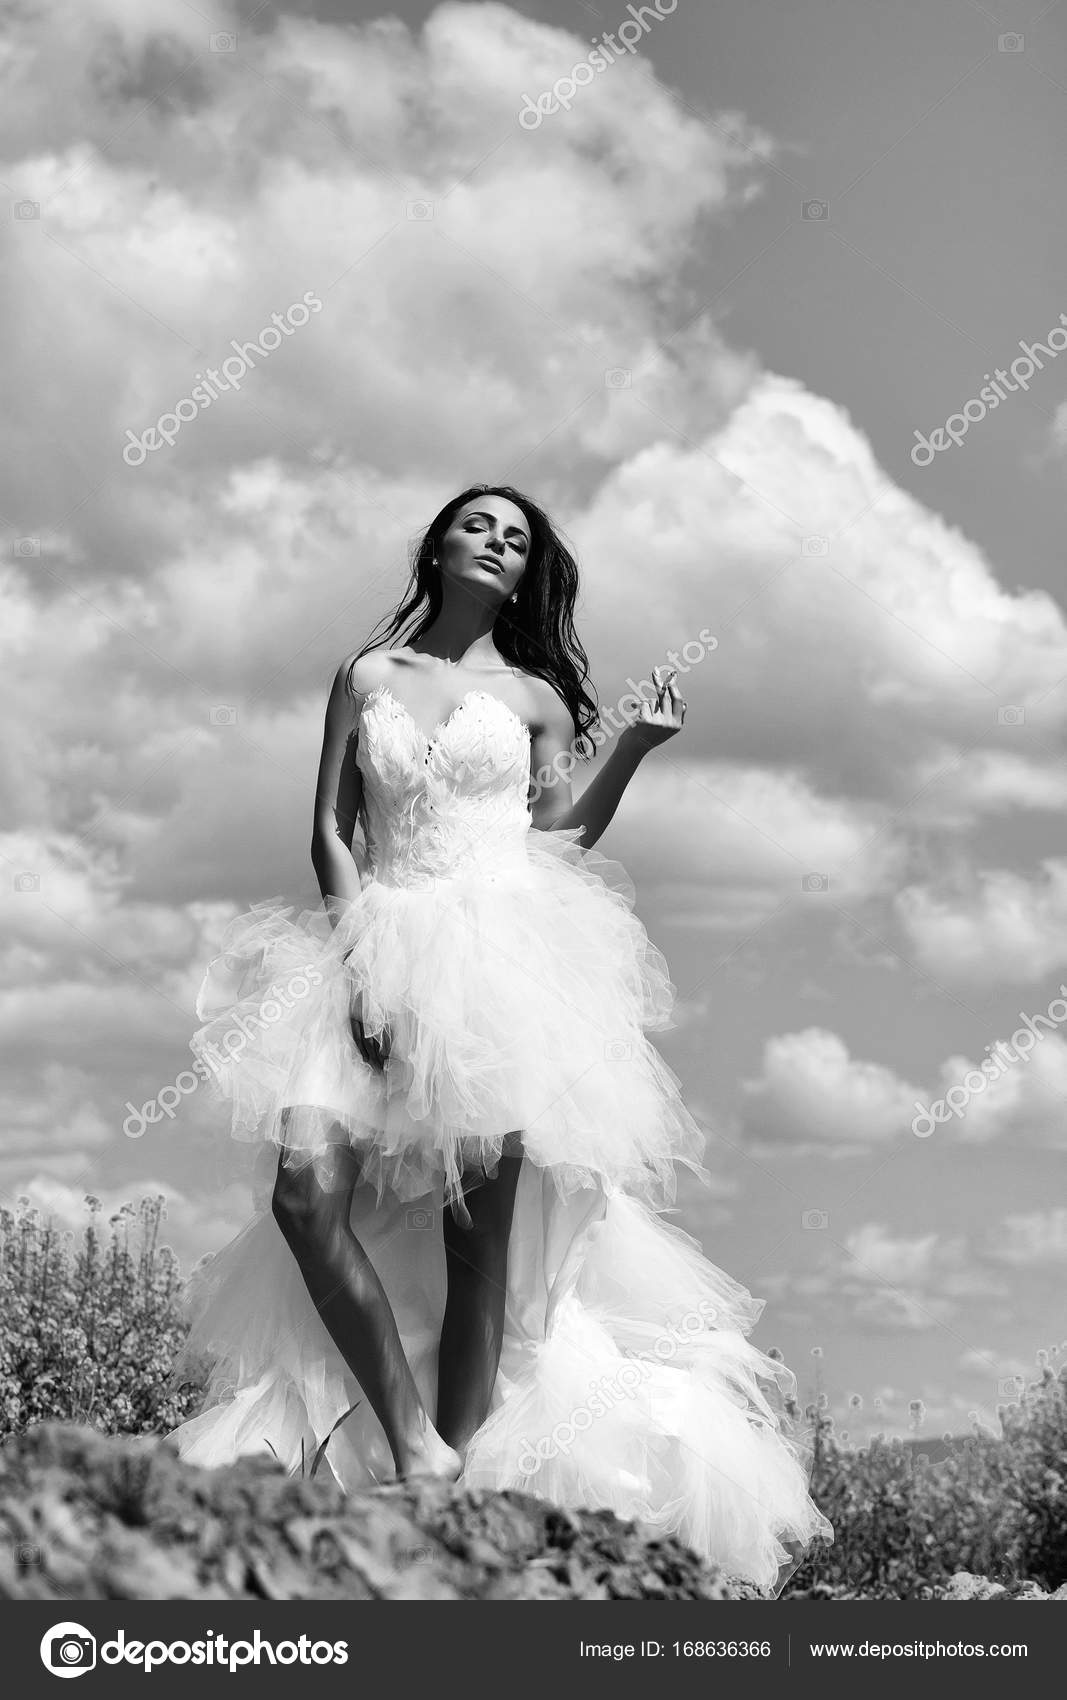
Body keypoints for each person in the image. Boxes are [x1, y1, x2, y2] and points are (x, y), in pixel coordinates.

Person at [167, 483, 832, 1593]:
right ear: (437, 545)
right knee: (304, 1195)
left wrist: (634, 746)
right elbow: (331, 826)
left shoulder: (533, 697)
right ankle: (407, 1434)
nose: (495, 543)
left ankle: (453, 1475)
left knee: (476, 1246)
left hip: (498, 968)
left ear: (526, 574)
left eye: (516, 539)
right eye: (477, 525)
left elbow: (555, 832)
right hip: (372, 945)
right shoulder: (366, 675)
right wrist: (359, 961)